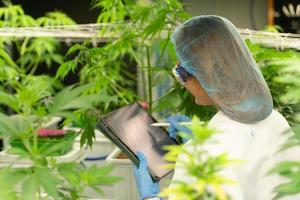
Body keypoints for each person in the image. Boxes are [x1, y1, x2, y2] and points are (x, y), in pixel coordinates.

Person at [133, 15, 300, 200]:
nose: (181, 82)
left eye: (181, 72)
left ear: (207, 75)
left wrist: (150, 197)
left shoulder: (201, 155)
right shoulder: (276, 121)